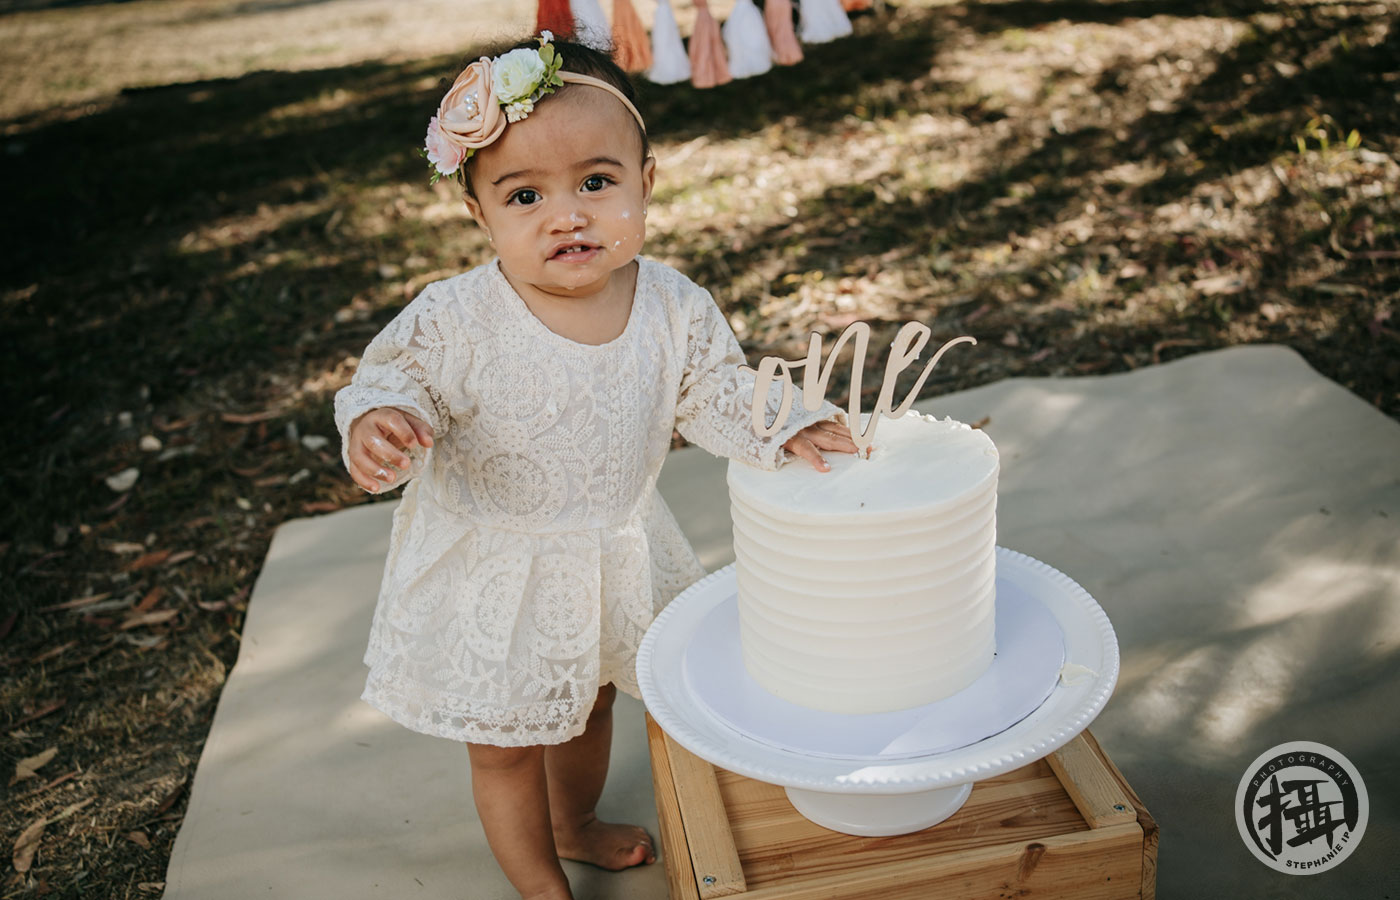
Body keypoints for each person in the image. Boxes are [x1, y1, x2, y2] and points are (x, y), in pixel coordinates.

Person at [333, 32, 856, 900]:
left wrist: (781, 423)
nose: (565, 214)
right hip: (495, 564)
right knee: (505, 742)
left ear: (646, 183)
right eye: (526, 194)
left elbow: (714, 390)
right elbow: (395, 380)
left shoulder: (671, 305)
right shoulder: (459, 317)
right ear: (479, 213)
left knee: (590, 701)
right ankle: (539, 882)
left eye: (596, 183)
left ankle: (572, 823)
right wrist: (384, 422)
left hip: (612, 549)